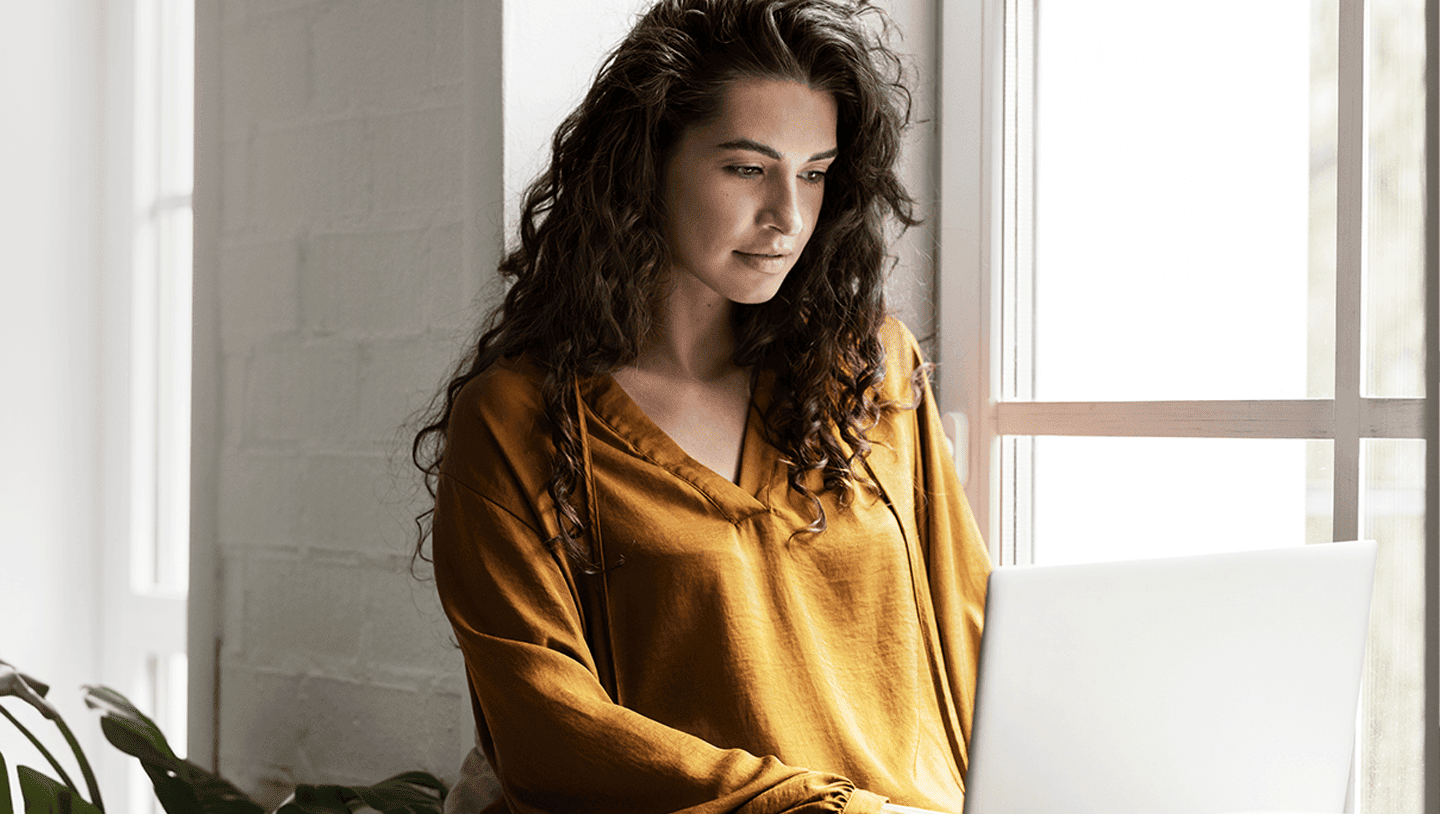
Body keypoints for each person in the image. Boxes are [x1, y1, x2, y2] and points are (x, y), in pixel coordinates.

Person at [411, 1, 991, 811]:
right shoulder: (519, 422)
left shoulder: (869, 368)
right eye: (748, 169)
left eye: (815, 172)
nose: (788, 216)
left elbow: (971, 632)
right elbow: (545, 730)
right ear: (647, 166)